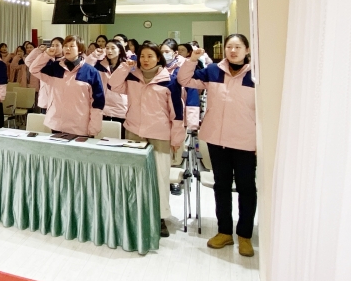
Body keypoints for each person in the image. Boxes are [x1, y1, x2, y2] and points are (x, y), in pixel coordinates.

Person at [178, 34, 256, 257]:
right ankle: (224, 232)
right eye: (229, 46)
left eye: (238, 47)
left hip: (245, 140)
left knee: (246, 188)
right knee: (221, 186)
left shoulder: (255, 74)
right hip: (217, 140)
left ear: (247, 50)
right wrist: (192, 59)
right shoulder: (213, 71)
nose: (233, 51)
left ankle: (245, 235)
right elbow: (185, 80)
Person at [109, 42, 185, 238]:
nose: (145, 60)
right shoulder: (132, 76)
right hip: (134, 132)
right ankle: (135, 213)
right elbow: (113, 85)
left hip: (160, 135)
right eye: (142, 56)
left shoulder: (169, 80)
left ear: (158, 58)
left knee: (159, 177)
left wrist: (176, 139)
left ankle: (160, 217)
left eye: (150, 56)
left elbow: (177, 113)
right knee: (135, 175)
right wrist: (125, 66)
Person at [28, 35, 105, 136]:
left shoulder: (90, 72)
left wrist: (94, 128)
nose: (67, 48)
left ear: (80, 50)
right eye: (65, 46)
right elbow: (34, 69)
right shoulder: (55, 67)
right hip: (57, 124)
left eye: (72, 46)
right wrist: (46, 55)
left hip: (79, 125)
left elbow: (97, 102)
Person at [86, 40, 128, 137]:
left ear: (120, 50)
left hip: (120, 108)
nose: (109, 51)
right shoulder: (99, 64)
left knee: (119, 138)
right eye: (107, 48)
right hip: (103, 107)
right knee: (101, 138)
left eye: (113, 48)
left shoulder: (126, 66)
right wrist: (94, 55)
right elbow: (86, 68)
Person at [160, 38, 201, 128]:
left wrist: (192, 123)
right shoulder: (158, 67)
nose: (163, 55)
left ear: (175, 53)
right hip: (161, 113)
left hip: (180, 112)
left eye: (167, 52)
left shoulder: (185, 67)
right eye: (161, 52)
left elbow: (192, 94)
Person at [25, 37, 64, 113]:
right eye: (52, 45)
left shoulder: (66, 61)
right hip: (46, 98)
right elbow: (28, 62)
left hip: (60, 99)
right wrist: (39, 50)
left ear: (63, 47)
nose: (54, 48)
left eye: (57, 45)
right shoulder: (45, 59)